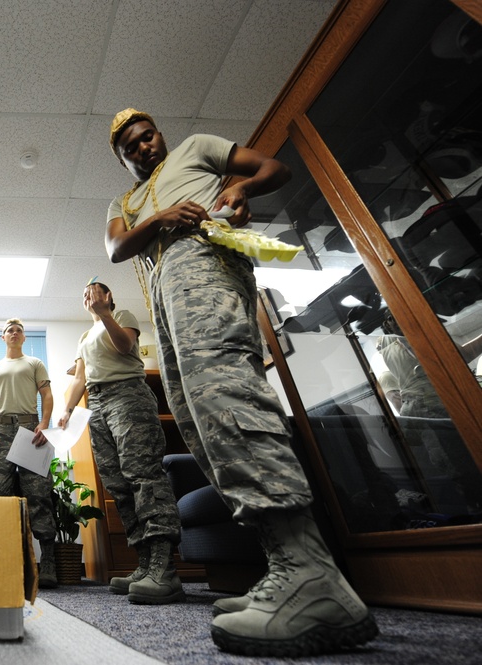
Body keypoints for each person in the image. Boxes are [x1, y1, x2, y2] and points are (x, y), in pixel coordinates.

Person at [104, 108, 377, 657]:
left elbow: (275, 169)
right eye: (130, 148)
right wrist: (158, 221)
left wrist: (240, 190)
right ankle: (284, 567)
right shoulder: (124, 203)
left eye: (147, 137)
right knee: (199, 420)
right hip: (163, 289)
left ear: (161, 134)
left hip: (205, 262)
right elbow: (115, 247)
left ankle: (311, 574)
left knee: (225, 396)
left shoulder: (197, 148)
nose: (143, 149)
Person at [58, 281, 182, 604]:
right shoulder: (84, 338)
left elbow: (126, 347)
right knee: (118, 482)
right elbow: (79, 378)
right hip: (96, 406)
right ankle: (145, 563)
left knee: (141, 473)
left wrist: (104, 315)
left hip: (127, 396)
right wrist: (68, 409)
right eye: (84, 294)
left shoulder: (122, 314)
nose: (88, 297)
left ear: (108, 296)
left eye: (94, 292)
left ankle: (164, 567)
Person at [0, 319, 57, 588]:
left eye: (19, 330)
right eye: (9, 330)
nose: (14, 333)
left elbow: (47, 394)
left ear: (23, 337)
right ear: (3, 338)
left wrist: (45, 423)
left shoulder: (34, 363)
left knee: (38, 495)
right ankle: (6, 561)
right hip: (1, 430)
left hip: (30, 429)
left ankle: (47, 562)